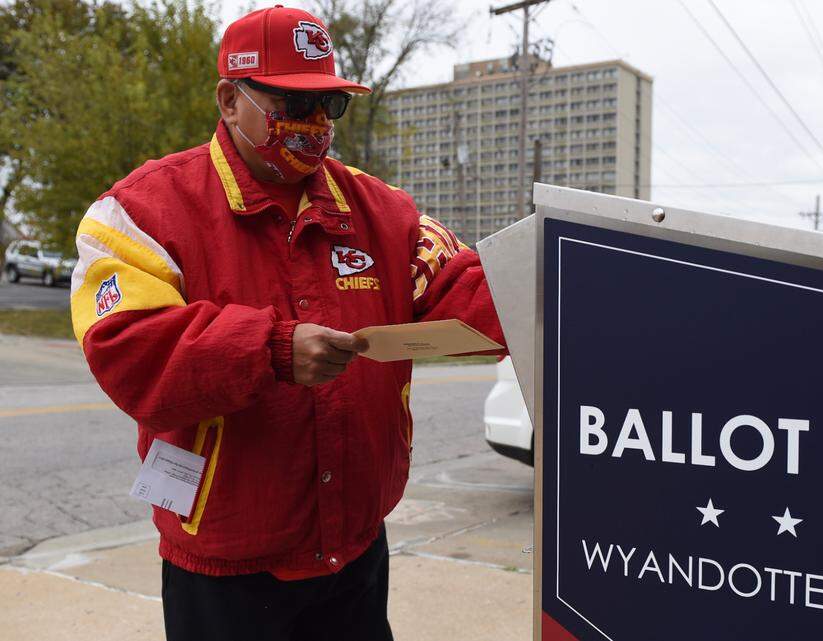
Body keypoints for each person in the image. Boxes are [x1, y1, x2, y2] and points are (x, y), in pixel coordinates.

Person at [69, 5, 504, 640]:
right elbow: (127, 350)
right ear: (228, 98)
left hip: (355, 551)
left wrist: (570, 283)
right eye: (295, 104)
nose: (317, 124)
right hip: (226, 566)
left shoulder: (385, 212)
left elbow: (467, 293)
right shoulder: (141, 210)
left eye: (331, 105)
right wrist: (269, 348)